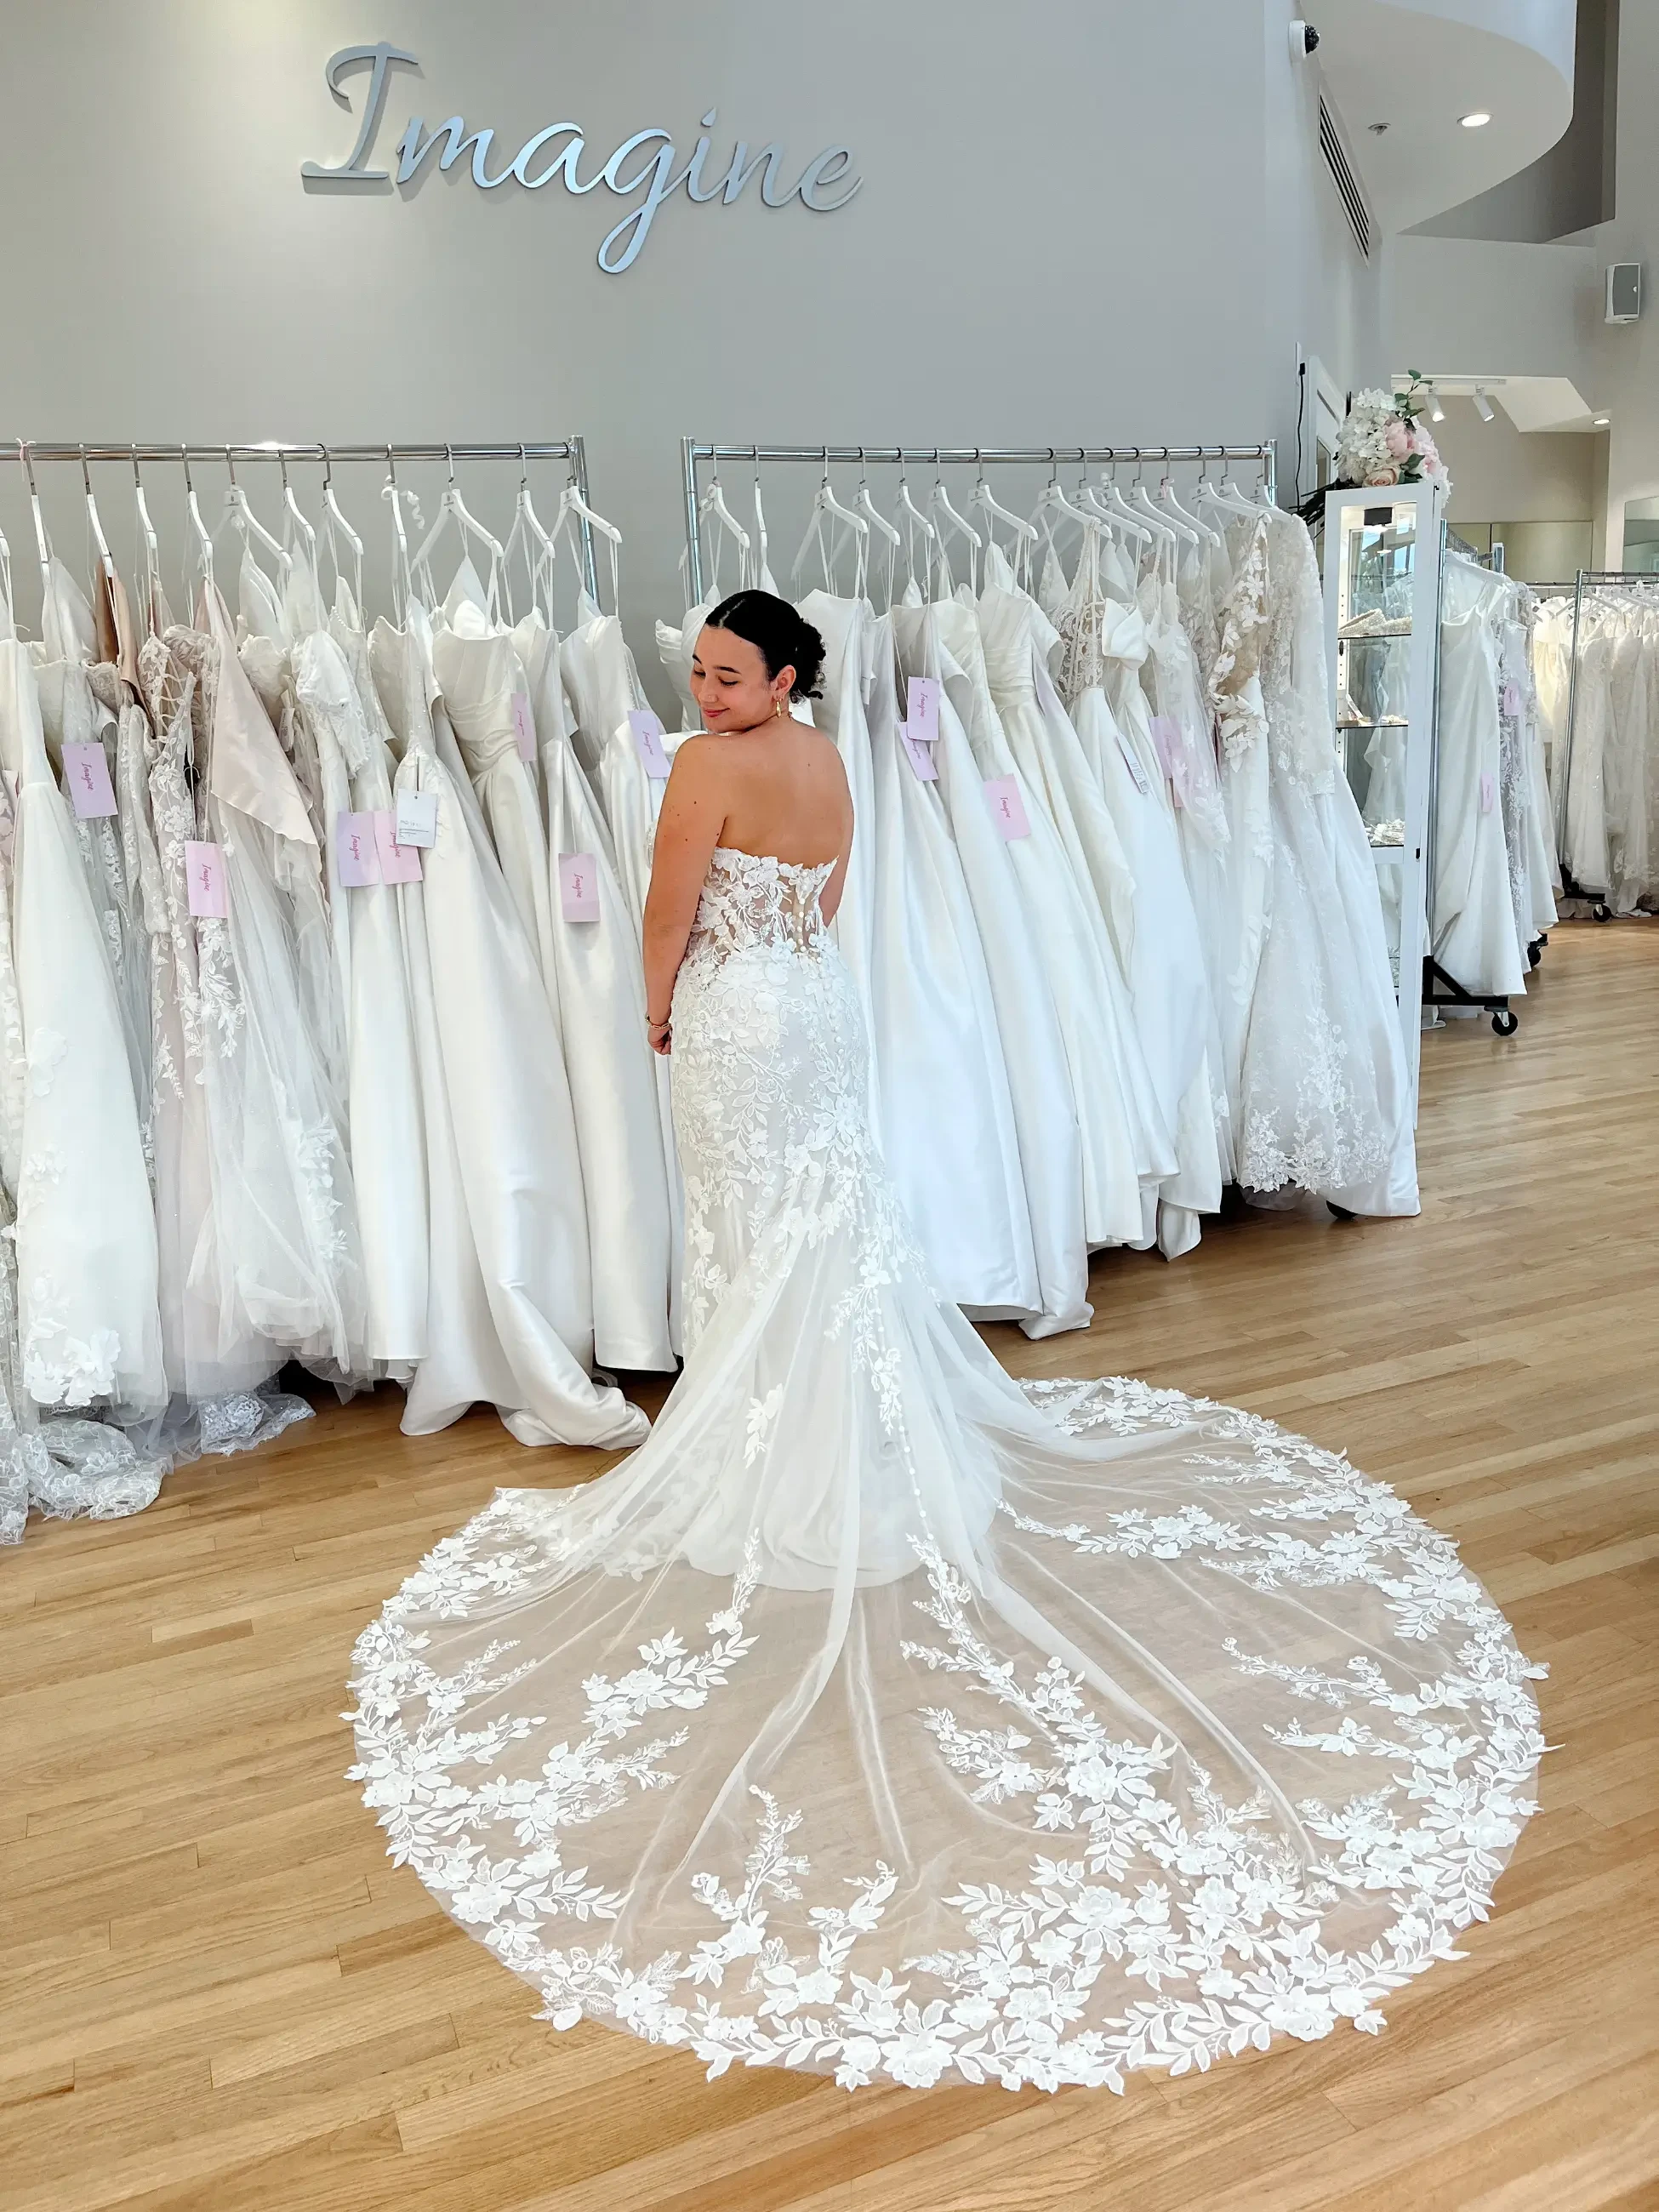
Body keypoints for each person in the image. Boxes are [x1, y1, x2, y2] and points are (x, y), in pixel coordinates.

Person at [350, 591, 1542, 2095]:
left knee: (756, 1233)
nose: (703, 689)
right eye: (698, 672)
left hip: (733, 1015)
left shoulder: (703, 772)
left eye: (727, 673)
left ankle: (779, 1456)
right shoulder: (829, 760)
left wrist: (658, 1007)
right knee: (822, 1225)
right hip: (813, 1012)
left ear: (781, 674)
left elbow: (666, 909)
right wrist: (761, 966)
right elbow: (829, 898)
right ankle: (840, 1440)